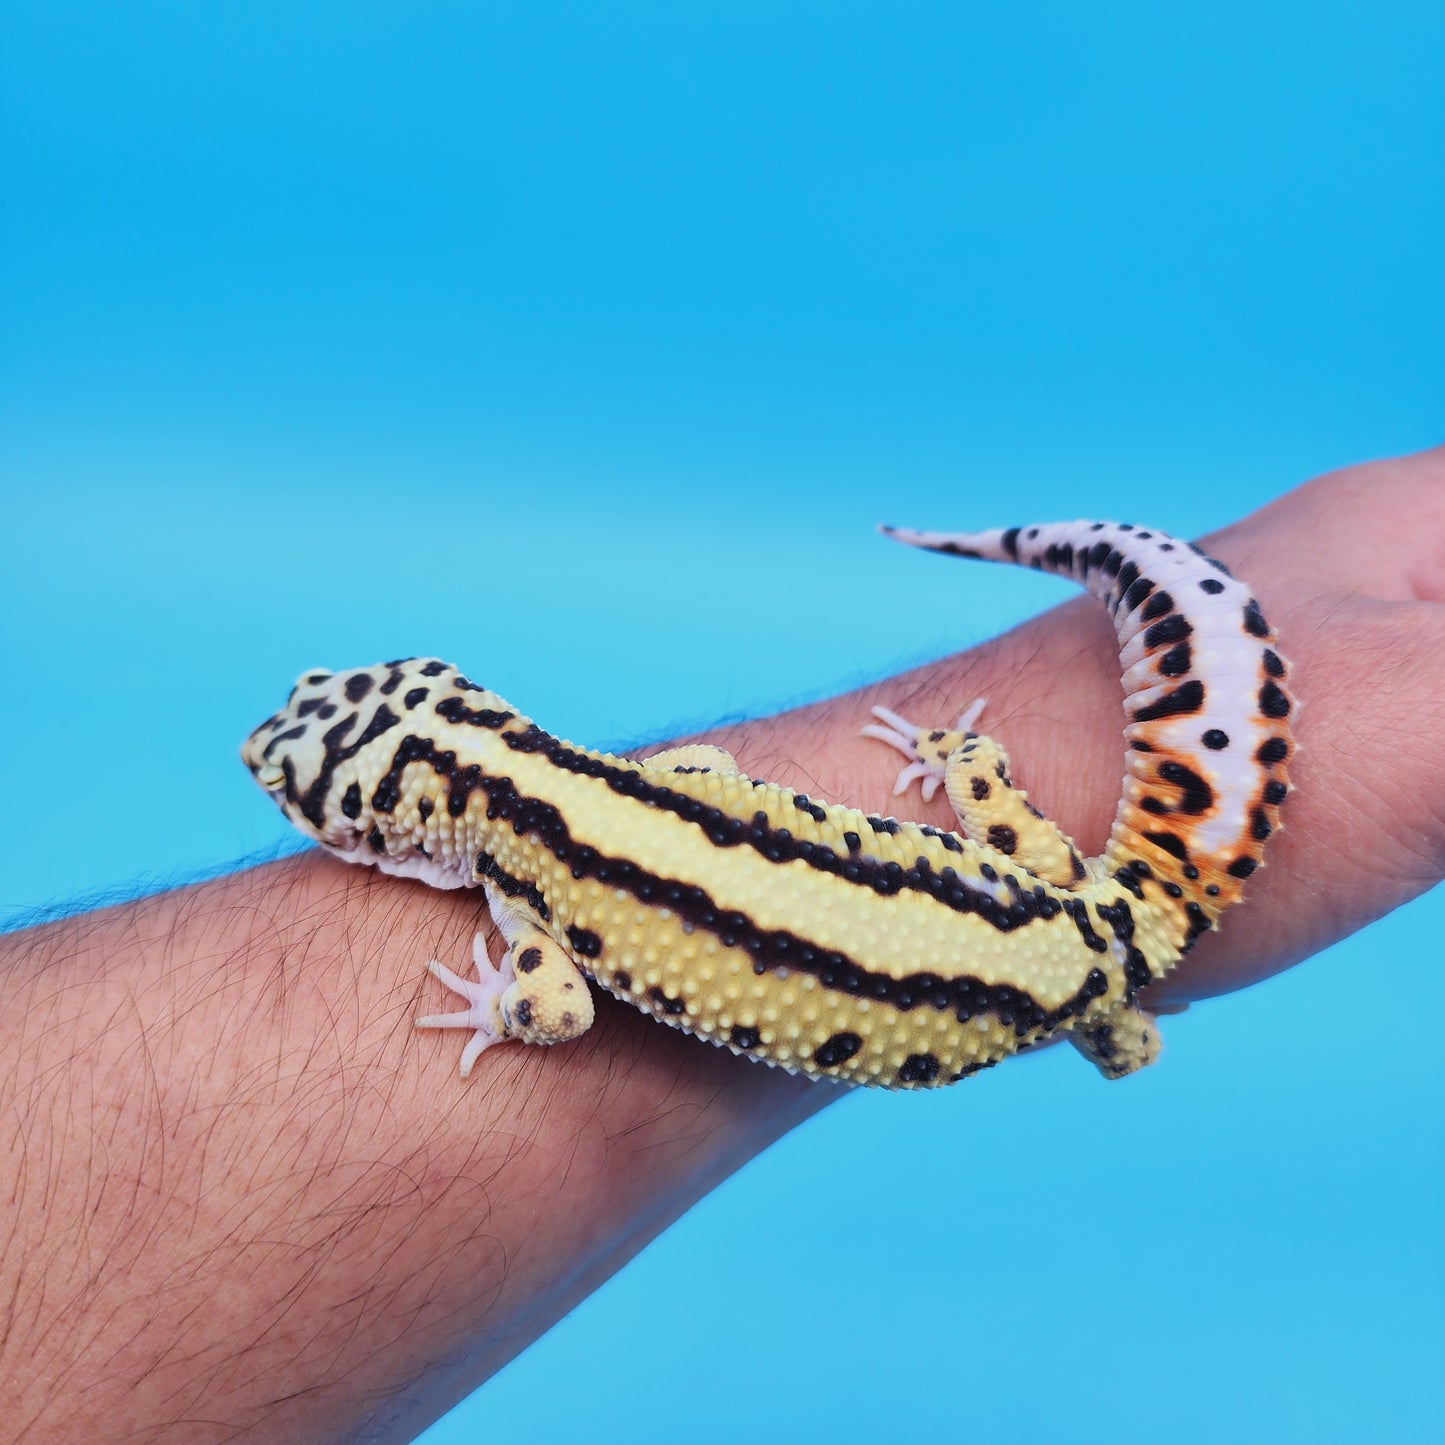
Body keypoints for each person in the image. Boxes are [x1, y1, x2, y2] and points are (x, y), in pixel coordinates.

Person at [3, 450, 1442, 1443]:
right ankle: (1107, 1001)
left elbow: (557, 1014)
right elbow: (703, 779)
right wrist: (973, 774)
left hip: (1039, 959)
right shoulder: (612, 786)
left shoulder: (529, 902)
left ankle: (1111, 1008)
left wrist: (500, 1002)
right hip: (1054, 936)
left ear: (394, 827)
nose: (275, 759)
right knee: (1104, 1010)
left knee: (1100, 1004)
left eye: (305, 785)